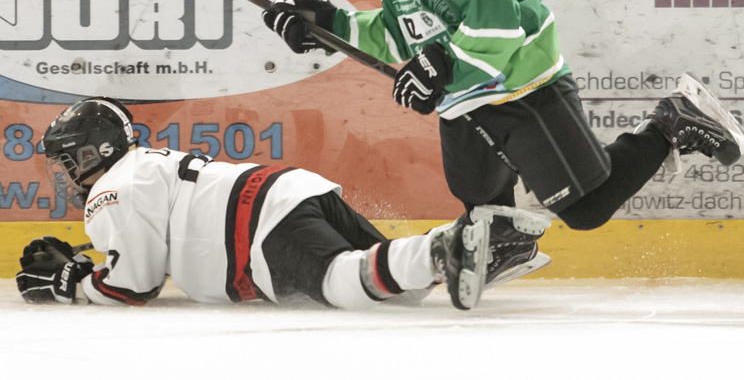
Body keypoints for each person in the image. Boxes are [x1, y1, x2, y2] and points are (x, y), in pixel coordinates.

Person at [263, 0, 744, 283]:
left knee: (586, 208)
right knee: (479, 198)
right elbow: (404, 33)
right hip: (467, 93)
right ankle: (512, 245)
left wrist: (440, 66)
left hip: (520, 86)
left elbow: (496, 30)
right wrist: (333, 26)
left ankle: (671, 123)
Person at [15, 96, 520, 311]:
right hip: (290, 191)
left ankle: (442, 249)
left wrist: (73, 284)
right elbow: (152, 242)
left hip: (258, 224)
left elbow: (133, 286)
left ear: (95, 152)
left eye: (66, 160)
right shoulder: (142, 167)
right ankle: (489, 245)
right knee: (394, 294)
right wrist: (91, 256)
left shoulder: (110, 189)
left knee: (338, 282)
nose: (63, 173)